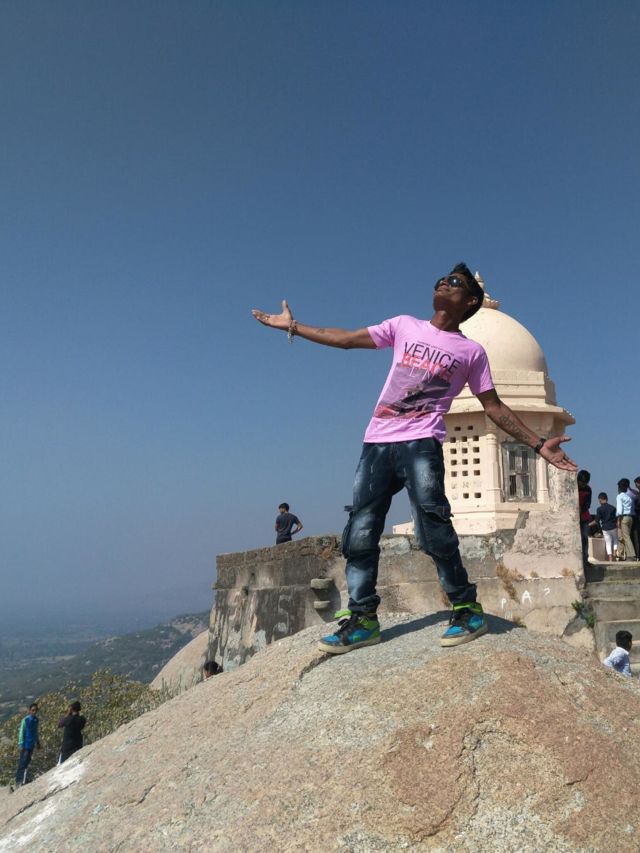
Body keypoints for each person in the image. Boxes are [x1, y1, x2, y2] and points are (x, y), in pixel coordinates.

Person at [253, 263, 577, 652]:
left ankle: (465, 607)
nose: (443, 283)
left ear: (470, 301)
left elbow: (492, 406)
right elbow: (346, 339)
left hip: (421, 442)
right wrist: (293, 326)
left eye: (455, 282)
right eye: (443, 278)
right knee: (359, 531)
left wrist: (538, 444)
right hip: (377, 442)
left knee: (432, 527)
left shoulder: (471, 351)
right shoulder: (404, 325)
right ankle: (362, 617)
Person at [14, 703, 40, 787]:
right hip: (25, 745)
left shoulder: (36, 720)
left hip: (31, 744)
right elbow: (21, 732)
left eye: (36, 710)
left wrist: (38, 742)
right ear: (29, 710)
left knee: (27, 762)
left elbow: (35, 732)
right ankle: (18, 781)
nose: (34, 712)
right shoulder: (25, 720)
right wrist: (20, 744)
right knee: (22, 762)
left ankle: (24, 779)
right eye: (33, 710)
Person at [591, 492, 618, 562]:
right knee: (615, 540)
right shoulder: (613, 508)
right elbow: (616, 518)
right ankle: (615, 552)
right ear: (607, 499)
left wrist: (588, 525)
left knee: (608, 543)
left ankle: (610, 558)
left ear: (600, 499)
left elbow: (597, 521)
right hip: (613, 526)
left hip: (605, 528)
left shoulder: (599, 509)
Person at [616, 479, 636, 561]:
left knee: (626, 537)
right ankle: (621, 554)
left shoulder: (619, 496)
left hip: (623, 518)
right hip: (630, 517)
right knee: (624, 536)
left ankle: (631, 555)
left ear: (619, 487)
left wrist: (618, 520)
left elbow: (619, 510)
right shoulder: (628, 497)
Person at [577, 470, 592, 569]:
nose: (583, 484)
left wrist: (582, 508)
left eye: (585, 483)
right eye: (581, 482)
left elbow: (588, 504)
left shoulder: (588, 489)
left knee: (585, 538)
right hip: (574, 517)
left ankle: (585, 559)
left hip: (584, 517)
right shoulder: (573, 487)